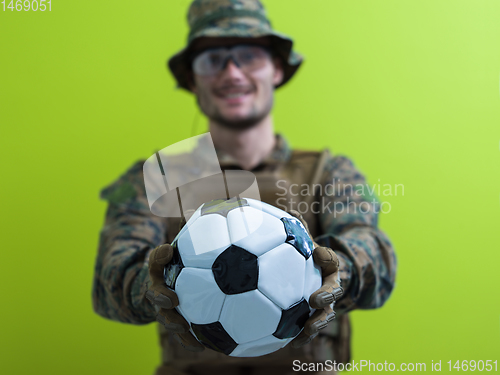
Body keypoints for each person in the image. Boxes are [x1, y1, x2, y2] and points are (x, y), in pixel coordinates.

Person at [92, 1, 397, 374]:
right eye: (212, 59)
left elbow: (378, 260)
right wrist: (152, 285)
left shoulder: (331, 172)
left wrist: (337, 273)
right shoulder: (156, 176)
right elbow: (109, 281)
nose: (232, 72)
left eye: (249, 56)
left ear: (278, 69)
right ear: (192, 79)